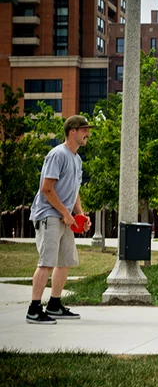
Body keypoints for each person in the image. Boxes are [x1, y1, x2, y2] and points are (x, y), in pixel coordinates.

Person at [27, 115, 94, 324]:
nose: (87, 134)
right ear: (72, 131)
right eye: (84, 130)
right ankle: (34, 309)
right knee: (46, 263)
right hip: (48, 214)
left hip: (64, 216)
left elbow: (75, 190)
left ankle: (54, 305)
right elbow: (46, 189)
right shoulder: (58, 155)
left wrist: (79, 214)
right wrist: (65, 213)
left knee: (65, 261)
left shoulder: (76, 158)